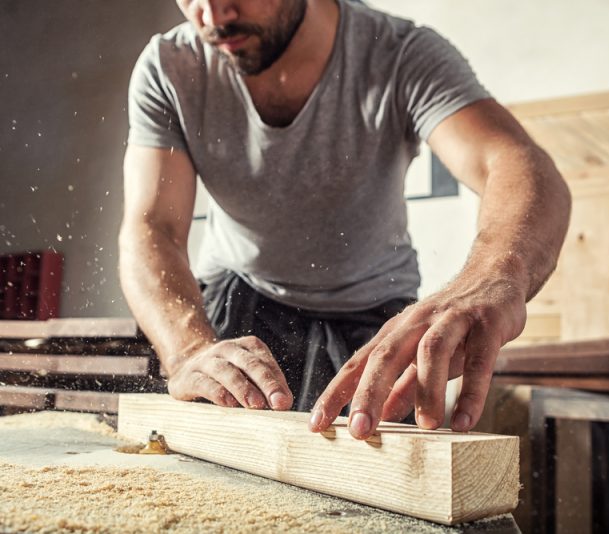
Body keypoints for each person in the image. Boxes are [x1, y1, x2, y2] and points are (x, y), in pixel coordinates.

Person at [119, 0, 570, 440]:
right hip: (239, 308)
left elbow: (513, 162)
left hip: (375, 321)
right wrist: (188, 351)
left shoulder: (400, 53)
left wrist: (495, 273)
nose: (214, 16)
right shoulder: (168, 66)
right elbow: (152, 226)